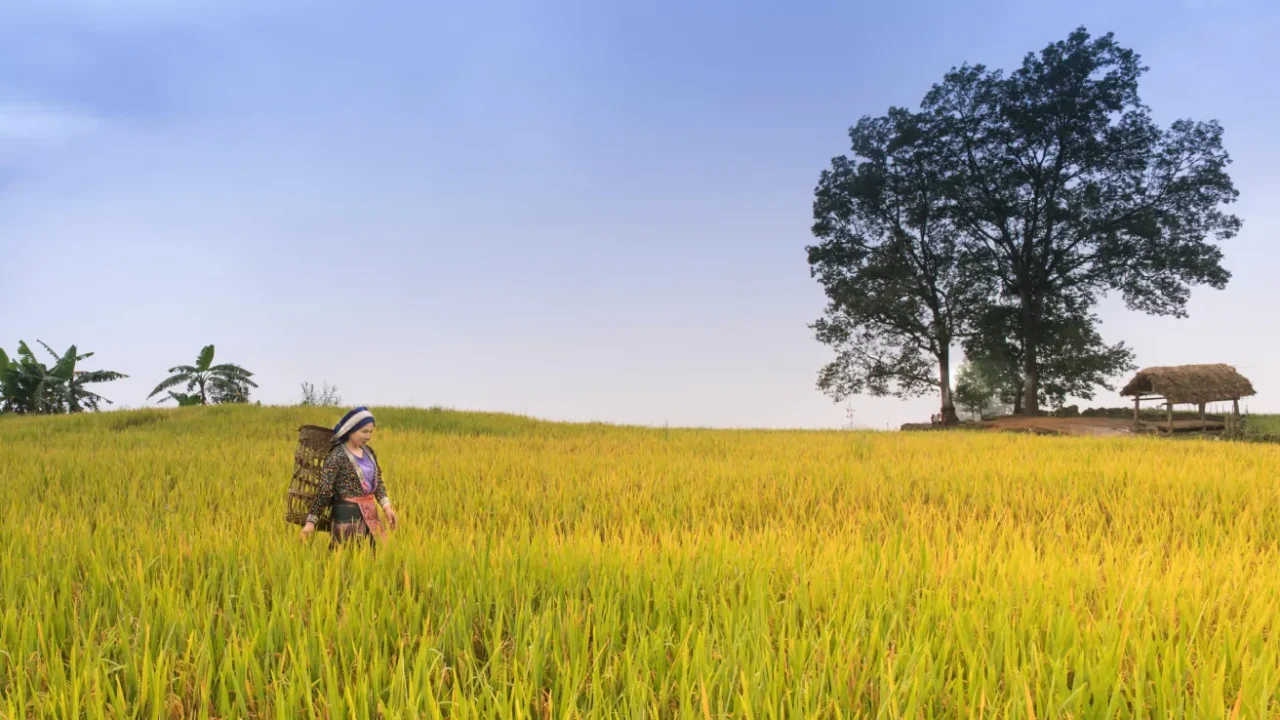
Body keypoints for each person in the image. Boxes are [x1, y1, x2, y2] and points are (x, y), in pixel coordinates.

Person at [299, 406, 399, 547]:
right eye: (364, 431)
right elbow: (324, 490)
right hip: (347, 518)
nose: (368, 436)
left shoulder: (369, 452)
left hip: (371, 516)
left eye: (370, 432)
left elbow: (378, 483)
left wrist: (387, 507)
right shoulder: (337, 455)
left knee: (374, 559)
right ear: (350, 429)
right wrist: (311, 522)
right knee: (347, 558)